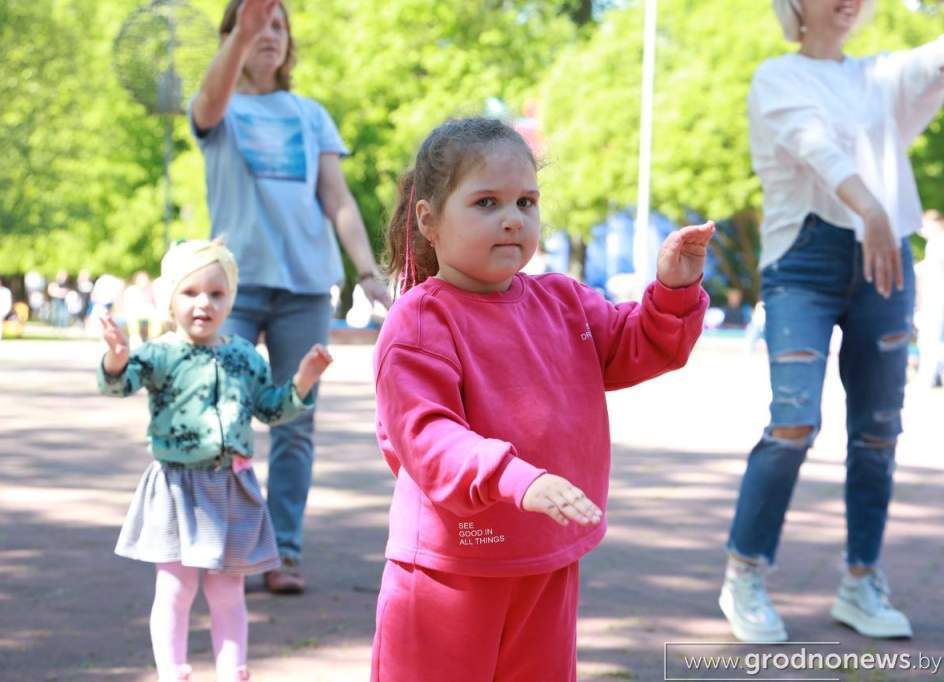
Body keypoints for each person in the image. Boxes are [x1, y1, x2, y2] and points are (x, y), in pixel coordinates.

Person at [369, 117, 713, 681]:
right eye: (485, 202)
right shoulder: (420, 319)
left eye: (526, 202)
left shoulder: (563, 301)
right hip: (448, 570)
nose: (512, 218)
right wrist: (517, 479)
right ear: (428, 221)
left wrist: (674, 291)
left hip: (544, 561)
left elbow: (639, 344)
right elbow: (428, 437)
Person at [720, 0, 943, 643]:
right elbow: (812, 144)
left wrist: (881, 218)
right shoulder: (777, 77)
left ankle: (861, 578)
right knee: (794, 421)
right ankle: (745, 573)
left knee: (878, 431)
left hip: (887, 259)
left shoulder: (881, 75)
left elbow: (934, 59)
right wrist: (870, 207)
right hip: (803, 264)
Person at [190, 0, 392, 594]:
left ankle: (281, 554)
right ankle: (224, 547)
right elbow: (206, 105)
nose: (269, 35)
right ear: (233, 35)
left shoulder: (310, 116)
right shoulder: (218, 108)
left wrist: (367, 270)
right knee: (225, 423)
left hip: (305, 287)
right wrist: (241, 34)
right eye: (257, 25)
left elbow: (339, 200)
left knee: (294, 425)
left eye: (279, 26)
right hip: (234, 287)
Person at [97, 239, 333, 682]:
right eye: (190, 293)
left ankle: (232, 670)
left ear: (231, 299)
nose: (203, 303)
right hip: (176, 489)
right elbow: (119, 384)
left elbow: (270, 408)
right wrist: (116, 357)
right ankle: (173, 670)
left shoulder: (245, 356)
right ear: (170, 299)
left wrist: (303, 380)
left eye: (217, 294)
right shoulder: (160, 354)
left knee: (228, 589)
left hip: (230, 488)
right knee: (175, 587)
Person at [915, 209, 944, 388]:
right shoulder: (935, 243)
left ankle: (928, 377)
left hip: (936, 298)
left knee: (930, 339)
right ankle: (933, 375)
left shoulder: (938, 243)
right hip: (934, 297)